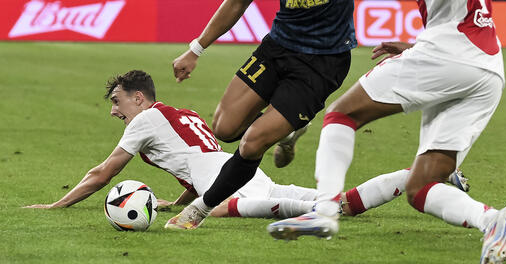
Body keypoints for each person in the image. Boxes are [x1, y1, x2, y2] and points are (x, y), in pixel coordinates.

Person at [268, 0, 506, 264]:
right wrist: (416, 44)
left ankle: (324, 212)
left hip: (450, 55)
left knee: (340, 115)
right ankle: (492, 221)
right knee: (421, 188)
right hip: (485, 68)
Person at [166, 0, 400, 230]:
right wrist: (196, 48)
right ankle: (287, 129)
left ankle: (198, 211)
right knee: (224, 128)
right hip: (279, 47)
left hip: (323, 61)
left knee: (252, 143)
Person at [23, 70, 470, 220]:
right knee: (338, 202)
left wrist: (56, 206)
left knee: (329, 210)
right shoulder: (180, 114)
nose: (114, 111)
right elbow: (195, 160)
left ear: (139, 98)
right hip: (241, 171)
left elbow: (103, 173)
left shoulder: (144, 122)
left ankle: (426, 175)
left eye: (117, 101)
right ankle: (431, 173)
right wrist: (177, 201)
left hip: (228, 187)